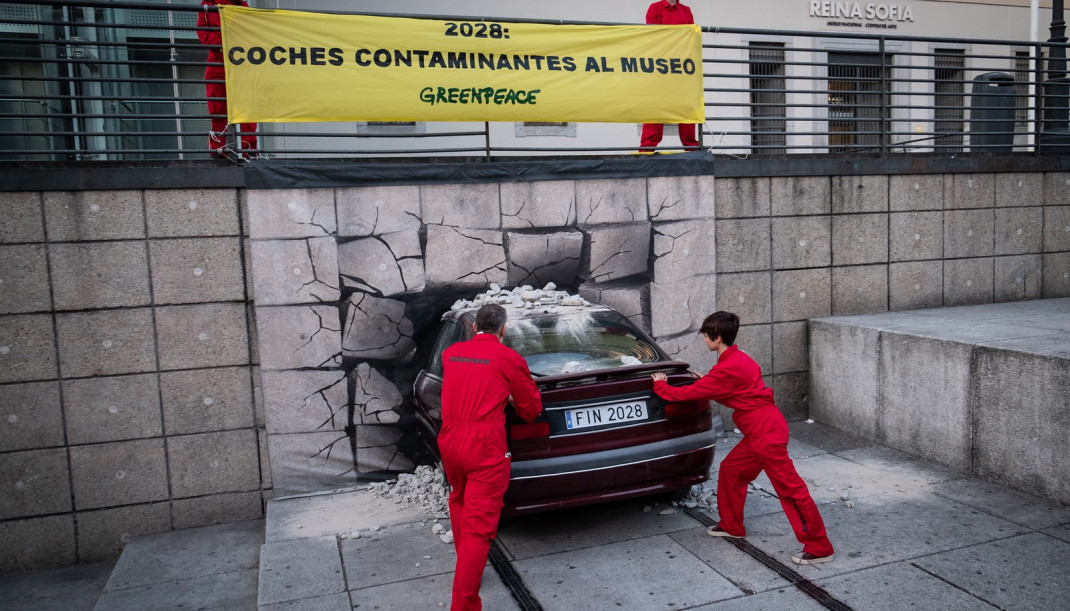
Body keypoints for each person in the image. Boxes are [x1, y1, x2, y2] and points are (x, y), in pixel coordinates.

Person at [650, 311, 835, 565]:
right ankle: (732, 525)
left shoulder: (726, 368)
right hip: (762, 428)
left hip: (765, 433)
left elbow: (687, 394)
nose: (704, 340)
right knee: (731, 470)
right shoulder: (738, 358)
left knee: (791, 489)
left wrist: (661, 385)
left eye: (705, 335)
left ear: (716, 337)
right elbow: (737, 390)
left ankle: (819, 546)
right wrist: (708, 382)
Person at [439, 304, 543, 610]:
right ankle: (464, 604)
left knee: (459, 499)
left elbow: (467, 383)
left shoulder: (451, 354)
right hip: (485, 445)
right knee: (479, 528)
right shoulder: (509, 358)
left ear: (474, 328)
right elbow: (530, 408)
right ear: (503, 329)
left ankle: (466, 572)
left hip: (451, 439)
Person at [197, 0, 257, 158]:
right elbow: (202, 31)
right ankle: (218, 151)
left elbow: (251, 30)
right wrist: (220, 44)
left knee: (246, 107)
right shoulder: (207, 4)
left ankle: (248, 151)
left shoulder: (242, 5)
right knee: (217, 108)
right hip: (218, 60)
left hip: (241, 60)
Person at [640, 0, 701, 151]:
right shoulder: (655, 8)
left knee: (686, 105)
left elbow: (690, 37)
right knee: (655, 104)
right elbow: (652, 36)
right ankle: (647, 147)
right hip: (659, 65)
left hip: (680, 65)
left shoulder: (686, 11)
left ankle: (691, 147)